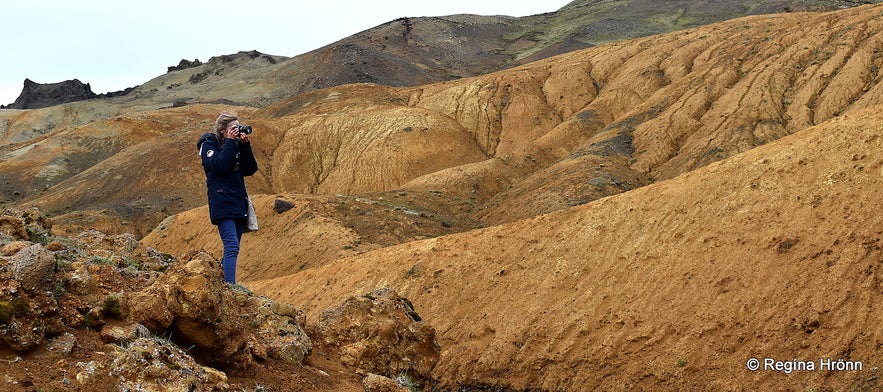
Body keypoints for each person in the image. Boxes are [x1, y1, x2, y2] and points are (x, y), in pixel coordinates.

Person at [196, 112, 259, 284]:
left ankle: (221, 283)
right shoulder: (209, 145)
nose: (236, 131)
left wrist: (244, 146)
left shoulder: (235, 145)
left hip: (238, 202)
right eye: (232, 128)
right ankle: (230, 286)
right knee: (231, 245)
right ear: (221, 130)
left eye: (237, 127)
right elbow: (221, 165)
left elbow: (251, 169)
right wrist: (231, 142)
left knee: (233, 247)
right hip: (222, 202)